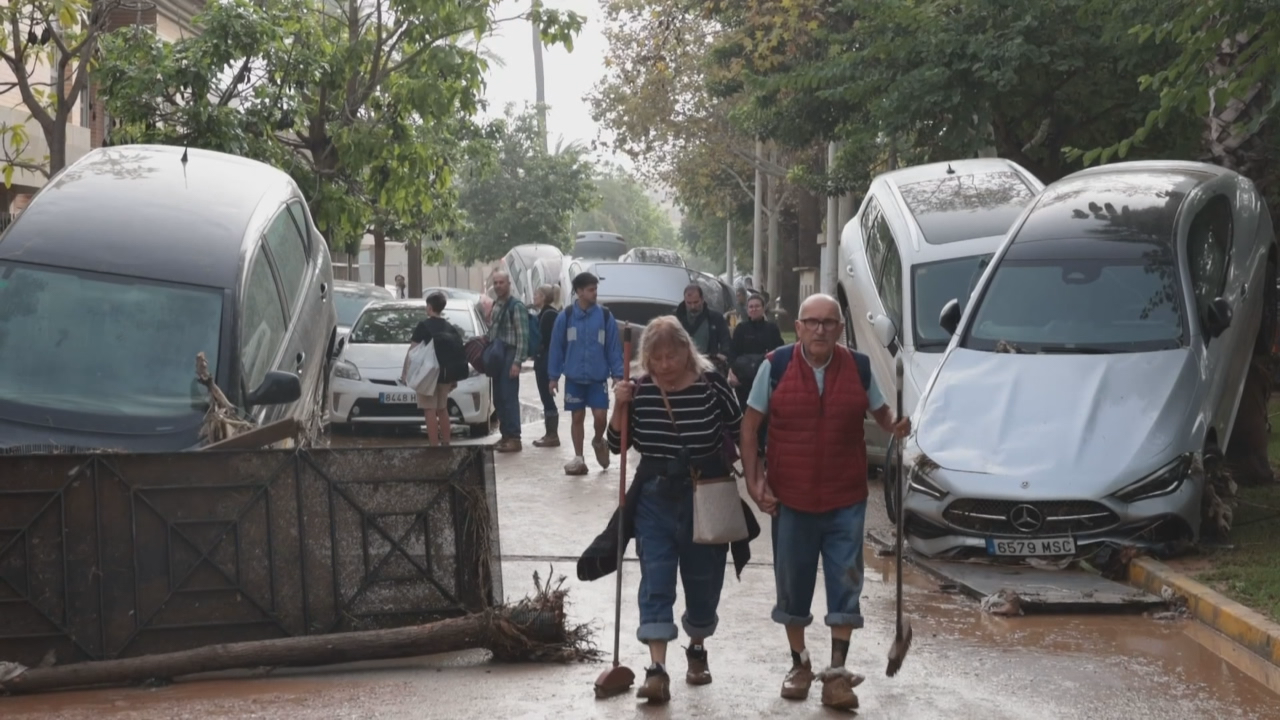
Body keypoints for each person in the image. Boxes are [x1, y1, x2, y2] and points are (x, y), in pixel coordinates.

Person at [739, 293, 911, 711]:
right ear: (797, 327)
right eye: (812, 322)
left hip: (845, 497)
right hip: (791, 498)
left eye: (829, 323)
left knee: (846, 583)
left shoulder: (858, 366)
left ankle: (836, 675)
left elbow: (882, 413)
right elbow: (749, 426)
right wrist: (755, 481)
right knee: (792, 587)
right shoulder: (775, 366)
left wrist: (896, 425)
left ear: (839, 328)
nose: (820, 329)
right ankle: (799, 663)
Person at [606, 316, 746, 705]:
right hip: (654, 497)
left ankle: (697, 648)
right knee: (656, 578)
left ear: (688, 350)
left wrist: (758, 478)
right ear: (646, 359)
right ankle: (656, 669)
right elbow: (616, 445)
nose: (666, 364)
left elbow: (740, 428)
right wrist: (620, 404)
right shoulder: (638, 390)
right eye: (657, 357)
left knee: (703, 580)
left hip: (705, 493)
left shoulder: (712, 383)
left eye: (673, 355)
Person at [547, 272, 624, 475]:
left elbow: (614, 348)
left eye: (595, 289)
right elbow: (556, 348)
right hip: (574, 378)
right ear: (579, 292)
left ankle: (598, 441)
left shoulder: (605, 316)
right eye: (590, 290)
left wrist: (618, 374)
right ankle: (579, 458)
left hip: (598, 378)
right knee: (577, 416)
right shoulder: (566, 316)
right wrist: (553, 377)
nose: (594, 293)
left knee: (600, 417)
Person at [402, 292, 469, 446]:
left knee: (429, 410)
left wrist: (405, 372)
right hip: (446, 375)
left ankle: (434, 446)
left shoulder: (424, 326)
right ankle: (446, 443)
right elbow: (456, 354)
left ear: (430, 307)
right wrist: (454, 379)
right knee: (442, 409)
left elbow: (412, 351)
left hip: (428, 375)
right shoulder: (450, 327)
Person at [487, 270, 527, 452]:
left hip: (510, 355)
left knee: (509, 398)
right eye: (495, 283)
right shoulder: (496, 305)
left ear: (508, 284)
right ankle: (505, 436)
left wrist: (517, 362)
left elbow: (522, 337)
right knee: (498, 398)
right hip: (497, 355)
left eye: (501, 282)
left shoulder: (516, 306)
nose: (498, 286)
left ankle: (515, 438)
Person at [531, 284, 562, 448]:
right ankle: (549, 433)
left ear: (543, 297)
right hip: (543, 360)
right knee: (545, 397)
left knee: (547, 396)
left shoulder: (548, 314)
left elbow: (542, 339)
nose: (534, 297)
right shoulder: (544, 313)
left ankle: (552, 434)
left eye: (536, 294)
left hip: (546, 362)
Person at [673, 284, 730, 369]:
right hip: (682, 365)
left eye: (696, 302)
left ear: (702, 299)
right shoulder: (675, 319)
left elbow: (725, 339)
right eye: (689, 303)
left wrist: (724, 354)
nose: (693, 306)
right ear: (684, 300)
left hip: (708, 364)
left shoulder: (715, 318)